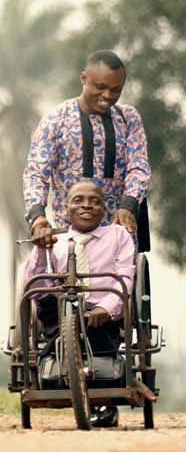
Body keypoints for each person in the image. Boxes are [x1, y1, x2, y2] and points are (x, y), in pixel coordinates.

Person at [20, 179, 135, 427]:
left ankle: (104, 393)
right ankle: (54, 370)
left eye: (95, 202)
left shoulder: (117, 236)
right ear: (66, 207)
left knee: (102, 343)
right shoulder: (54, 240)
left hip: (102, 313)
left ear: (105, 209)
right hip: (59, 314)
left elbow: (125, 276)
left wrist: (106, 307)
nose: (87, 206)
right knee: (46, 299)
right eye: (78, 201)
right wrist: (41, 249)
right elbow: (34, 286)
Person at [23, 50, 150, 250]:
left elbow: (139, 168)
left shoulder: (128, 119)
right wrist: (38, 217)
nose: (107, 96)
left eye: (116, 90)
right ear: (84, 79)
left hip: (117, 240)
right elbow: (36, 174)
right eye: (100, 87)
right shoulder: (56, 119)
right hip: (67, 240)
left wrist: (128, 205)